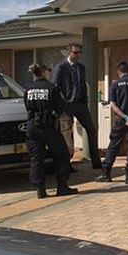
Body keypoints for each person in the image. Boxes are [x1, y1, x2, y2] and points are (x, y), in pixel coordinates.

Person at [24, 64, 79, 198]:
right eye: (48, 70)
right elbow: (60, 107)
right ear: (43, 72)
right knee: (62, 155)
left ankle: (40, 189)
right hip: (49, 125)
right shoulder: (52, 88)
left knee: (37, 158)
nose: (49, 73)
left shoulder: (28, 88)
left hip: (32, 126)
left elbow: (27, 106)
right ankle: (62, 186)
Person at [51, 42, 103, 169]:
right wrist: (62, 102)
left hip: (80, 104)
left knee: (91, 129)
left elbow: (83, 84)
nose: (78, 55)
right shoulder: (61, 67)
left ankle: (95, 160)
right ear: (69, 53)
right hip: (67, 105)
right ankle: (67, 164)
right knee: (67, 133)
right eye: (75, 52)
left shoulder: (81, 67)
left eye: (79, 52)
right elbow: (55, 86)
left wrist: (85, 100)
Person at [97, 61, 128, 184]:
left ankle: (106, 173)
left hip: (121, 120)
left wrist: (125, 117)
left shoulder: (115, 85)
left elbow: (113, 105)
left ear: (119, 72)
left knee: (114, 144)